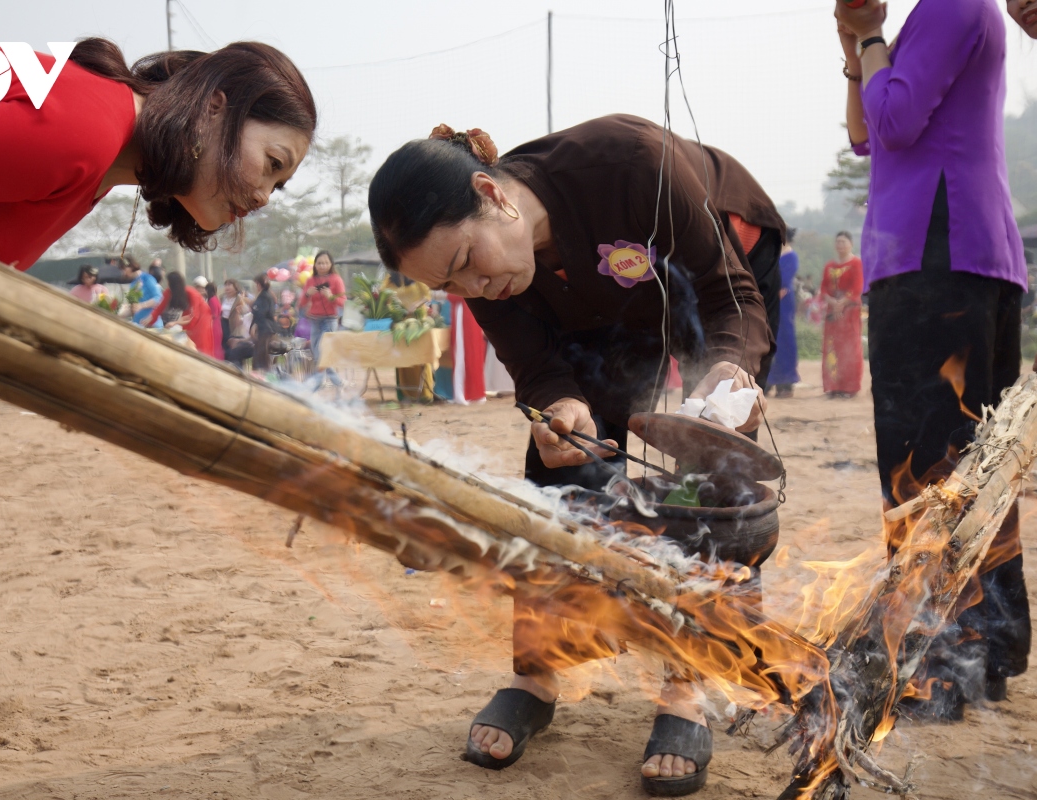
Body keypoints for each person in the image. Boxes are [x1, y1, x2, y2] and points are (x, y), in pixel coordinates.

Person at [0, 38, 314, 799]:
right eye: (274, 164)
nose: (266, 195)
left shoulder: (93, 139)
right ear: (215, 108)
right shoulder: (83, 130)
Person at [369, 115, 779, 796]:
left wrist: (730, 369)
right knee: (563, 476)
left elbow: (727, 293)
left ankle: (685, 684)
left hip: (715, 273)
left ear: (491, 194)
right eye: (450, 287)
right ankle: (536, 673)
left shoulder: (630, 166)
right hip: (598, 305)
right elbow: (537, 366)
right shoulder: (488, 279)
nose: (471, 291)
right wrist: (560, 407)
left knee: (708, 470)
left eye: (468, 263)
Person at [837, 0, 1030, 715]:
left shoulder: (954, 4)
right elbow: (863, 130)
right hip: (946, 256)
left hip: (937, 255)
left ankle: (942, 661)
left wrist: (870, 36)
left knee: (929, 466)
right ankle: (993, 643)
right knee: (973, 461)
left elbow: (893, 120)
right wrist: (852, 43)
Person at [819, 231, 863, 398]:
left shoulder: (856, 263)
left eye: (844, 242)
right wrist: (832, 302)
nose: (840, 245)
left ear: (851, 244)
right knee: (832, 347)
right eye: (838, 242)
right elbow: (823, 288)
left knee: (850, 348)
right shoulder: (829, 266)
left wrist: (842, 302)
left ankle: (850, 388)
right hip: (832, 313)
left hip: (850, 312)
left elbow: (857, 288)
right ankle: (834, 386)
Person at [302, 250, 345, 387]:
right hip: (314, 320)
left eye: (325, 263)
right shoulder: (310, 280)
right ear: (314, 265)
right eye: (319, 263)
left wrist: (331, 296)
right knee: (317, 352)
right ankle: (337, 382)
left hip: (330, 320)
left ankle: (316, 383)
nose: (322, 266)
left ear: (331, 264)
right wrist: (307, 295)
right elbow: (301, 303)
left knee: (324, 351)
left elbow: (343, 301)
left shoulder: (336, 279)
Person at [147, 271, 216, 356]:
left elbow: (194, 317)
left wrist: (175, 323)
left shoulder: (192, 293)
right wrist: (148, 320)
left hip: (202, 319)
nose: (167, 284)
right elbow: (158, 309)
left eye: (169, 282)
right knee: (186, 342)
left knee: (200, 345)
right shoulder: (169, 291)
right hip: (187, 317)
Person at [767, 229, 800, 397]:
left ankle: (785, 382)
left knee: (784, 339)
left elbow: (785, 282)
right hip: (768, 300)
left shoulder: (791, 256)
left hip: (783, 303)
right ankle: (768, 380)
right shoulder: (771, 253)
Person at [123, 257, 164, 327]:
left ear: (130, 268)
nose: (123, 272)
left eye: (124, 269)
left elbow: (159, 298)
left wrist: (142, 305)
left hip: (152, 326)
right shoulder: (132, 284)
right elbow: (133, 308)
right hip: (138, 325)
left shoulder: (147, 278)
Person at [250, 273, 277, 370]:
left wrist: (255, 325)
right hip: (263, 328)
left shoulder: (264, 296)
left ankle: (262, 373)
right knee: (259, 353)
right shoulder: (263, 295)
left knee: (261, 354)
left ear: (258, 284)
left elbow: (262, 313)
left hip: (264, 327)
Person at [204, 281, 225, 358]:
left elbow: (214, 314)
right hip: (218, 324)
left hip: (214, 325)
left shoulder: (211, 300)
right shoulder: (216, 298)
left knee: (214, 344)